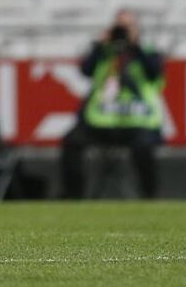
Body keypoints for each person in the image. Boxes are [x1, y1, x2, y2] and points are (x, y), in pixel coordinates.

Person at [60, 10, 165, 199]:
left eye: (127, 27)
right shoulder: (104, 53)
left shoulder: (147, 51)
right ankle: (73, 196)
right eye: (119, 27)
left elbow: (154, 71)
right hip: (102, 121)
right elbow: (86, 70)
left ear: (137, 29)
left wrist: (135, 46)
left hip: (138, 121)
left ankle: (150, 197)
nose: (122, 32)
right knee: (71, 142)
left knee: (143, 148)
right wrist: (100, 46)